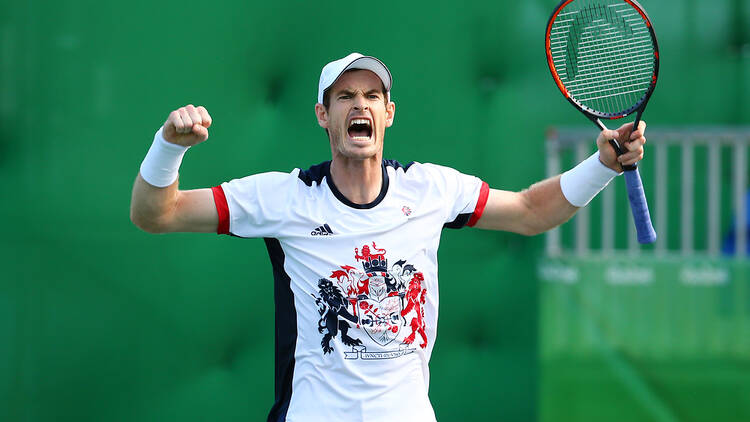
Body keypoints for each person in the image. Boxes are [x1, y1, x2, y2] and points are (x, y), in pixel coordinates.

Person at [130, 52, 646, 422]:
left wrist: (602, 164)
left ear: (388, 114)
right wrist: (168, 146)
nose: (362, 105)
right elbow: (158, 213)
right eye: (346, 96)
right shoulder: (284, 198)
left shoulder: (431, 189)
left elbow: (533, 212)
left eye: (373, 96)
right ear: (323, 116)